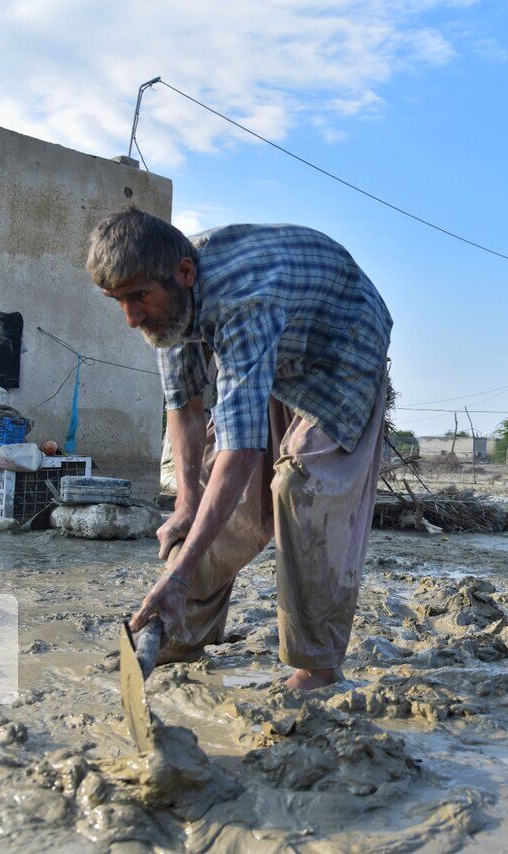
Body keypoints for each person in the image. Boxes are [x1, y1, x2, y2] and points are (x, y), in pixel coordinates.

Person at [86, 210, 392, 690]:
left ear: (185, 274)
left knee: (303, 488)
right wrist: (187, 504)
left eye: (138, 298)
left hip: (345, 346)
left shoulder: (243, 303)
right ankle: (180, 630)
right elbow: (185, 407)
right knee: (213, 492)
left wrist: (179, 573)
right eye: (117, 301)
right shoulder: (166, 300)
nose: (131, 318)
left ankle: (317, 665)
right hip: (282, 351)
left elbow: (241, 450)